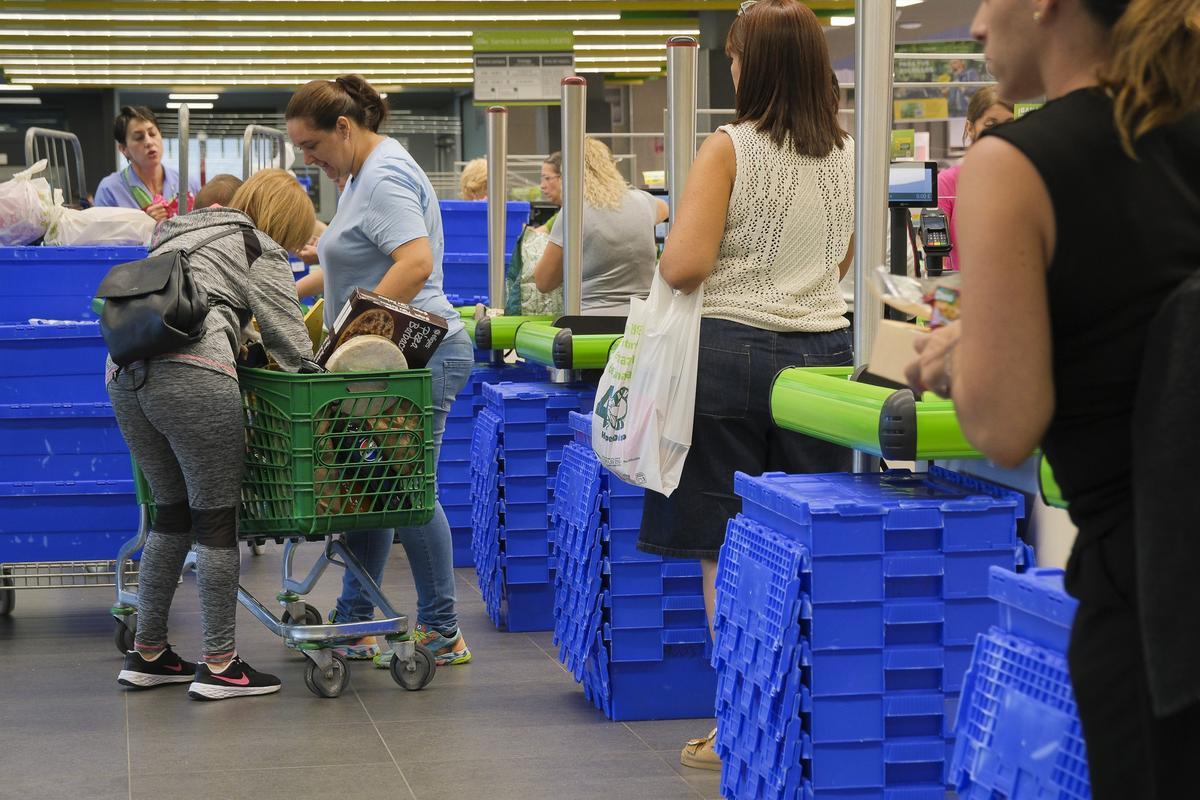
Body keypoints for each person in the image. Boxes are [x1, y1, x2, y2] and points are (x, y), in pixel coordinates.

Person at [903, 1, 1200, 796]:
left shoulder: (1019, 164)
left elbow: (1002, 426)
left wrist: (957, 359)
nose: (973, 25)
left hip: (1155, 618)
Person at [637, 0, 855, 770]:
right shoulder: (846, 154)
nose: (728, 67)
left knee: (724, 544)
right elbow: (838, 265)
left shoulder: (729, 147)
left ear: (752, 65)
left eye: (732, 56)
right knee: (809, 539)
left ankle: (739, 722)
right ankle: (814, 718)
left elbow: (686, 265)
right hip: (827, 357)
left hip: (731, 355)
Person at [286, 75, 474, 668]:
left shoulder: (385, 175)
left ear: (345, 127)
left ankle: (442, 629)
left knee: (407, 487)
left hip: (419, 353)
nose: (308, 159)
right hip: (391, 358)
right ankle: (356, 617)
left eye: (312, 146)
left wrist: (350, 332)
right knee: (374, 487)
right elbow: (351, 259)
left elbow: (414, 264)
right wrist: (287, 290)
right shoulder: (362, 175)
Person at [110, 169, 316, 700]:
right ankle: (221, 664)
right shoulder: (257, 244)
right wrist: (317, 373)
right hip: (194, 374)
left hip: (124, 374)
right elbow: (289, 340)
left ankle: (149, 652)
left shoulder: (173, 232)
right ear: (282, 222)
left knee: (170, 514)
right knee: (216, 517)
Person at [533, 137, 669, 315]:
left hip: (591, 323)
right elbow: (665, 209)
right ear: (610, 168)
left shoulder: (574, 213)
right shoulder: (643, 201)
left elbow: (544, 282)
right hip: (643, 320)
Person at [937, 87, 1014, 270]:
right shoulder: (947, 182)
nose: (1001, 131)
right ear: (970, 128)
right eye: (991, 124)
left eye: (1009, 123)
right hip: (962, 292)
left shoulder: (1025, 181)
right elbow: (937, 258)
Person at [95, 106, 200, 222]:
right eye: (139, 137)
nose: (149, 142)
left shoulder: (188, 184)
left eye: (152, 133)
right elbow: (104, 238)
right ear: (124, 149)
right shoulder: (110, 190)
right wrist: (145, 227)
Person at [504, 152, 564, 316]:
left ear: (564, 177)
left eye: (547, 178)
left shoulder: (567, 216)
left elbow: (543, 282)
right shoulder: (560, 216)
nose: (542, 185)